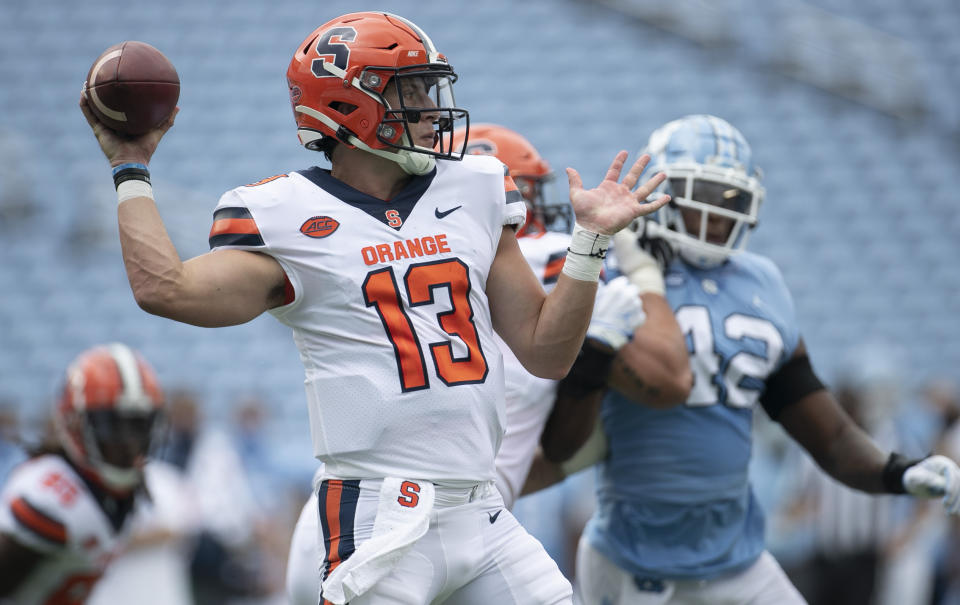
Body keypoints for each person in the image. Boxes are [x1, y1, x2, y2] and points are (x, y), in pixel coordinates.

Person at [79, 11, 670, 604]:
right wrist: (131, 166)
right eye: (409, 89)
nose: (431, 107)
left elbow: (545, 352)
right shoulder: (284, 214)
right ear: (348, 104)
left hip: (480, 505)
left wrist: (589, 243)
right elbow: (166, 289)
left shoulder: (477, 187)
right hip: (379, 513)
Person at [537, 114, 960, 604]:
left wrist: (900, 472)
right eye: (707, 196)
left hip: (740, 562)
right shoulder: (615, 273)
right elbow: (562, 441)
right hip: (637, 565)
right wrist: (593, 357)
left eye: (731, 200)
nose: (719, 214)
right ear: (666, 190)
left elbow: (831, 436)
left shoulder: (762, 283)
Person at [283, 123, 674, 602]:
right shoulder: (550, 256)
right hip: (396, 530)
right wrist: (642, 273)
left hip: (368, 518)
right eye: (518, 194)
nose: (525, 210)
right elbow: (671, 377)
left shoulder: (413, 250)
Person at [0, 343, 165, 604]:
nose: (130, 441)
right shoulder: (50, 497)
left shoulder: (118, 488)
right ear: (75, 425)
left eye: (139, 425)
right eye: (114, 426)